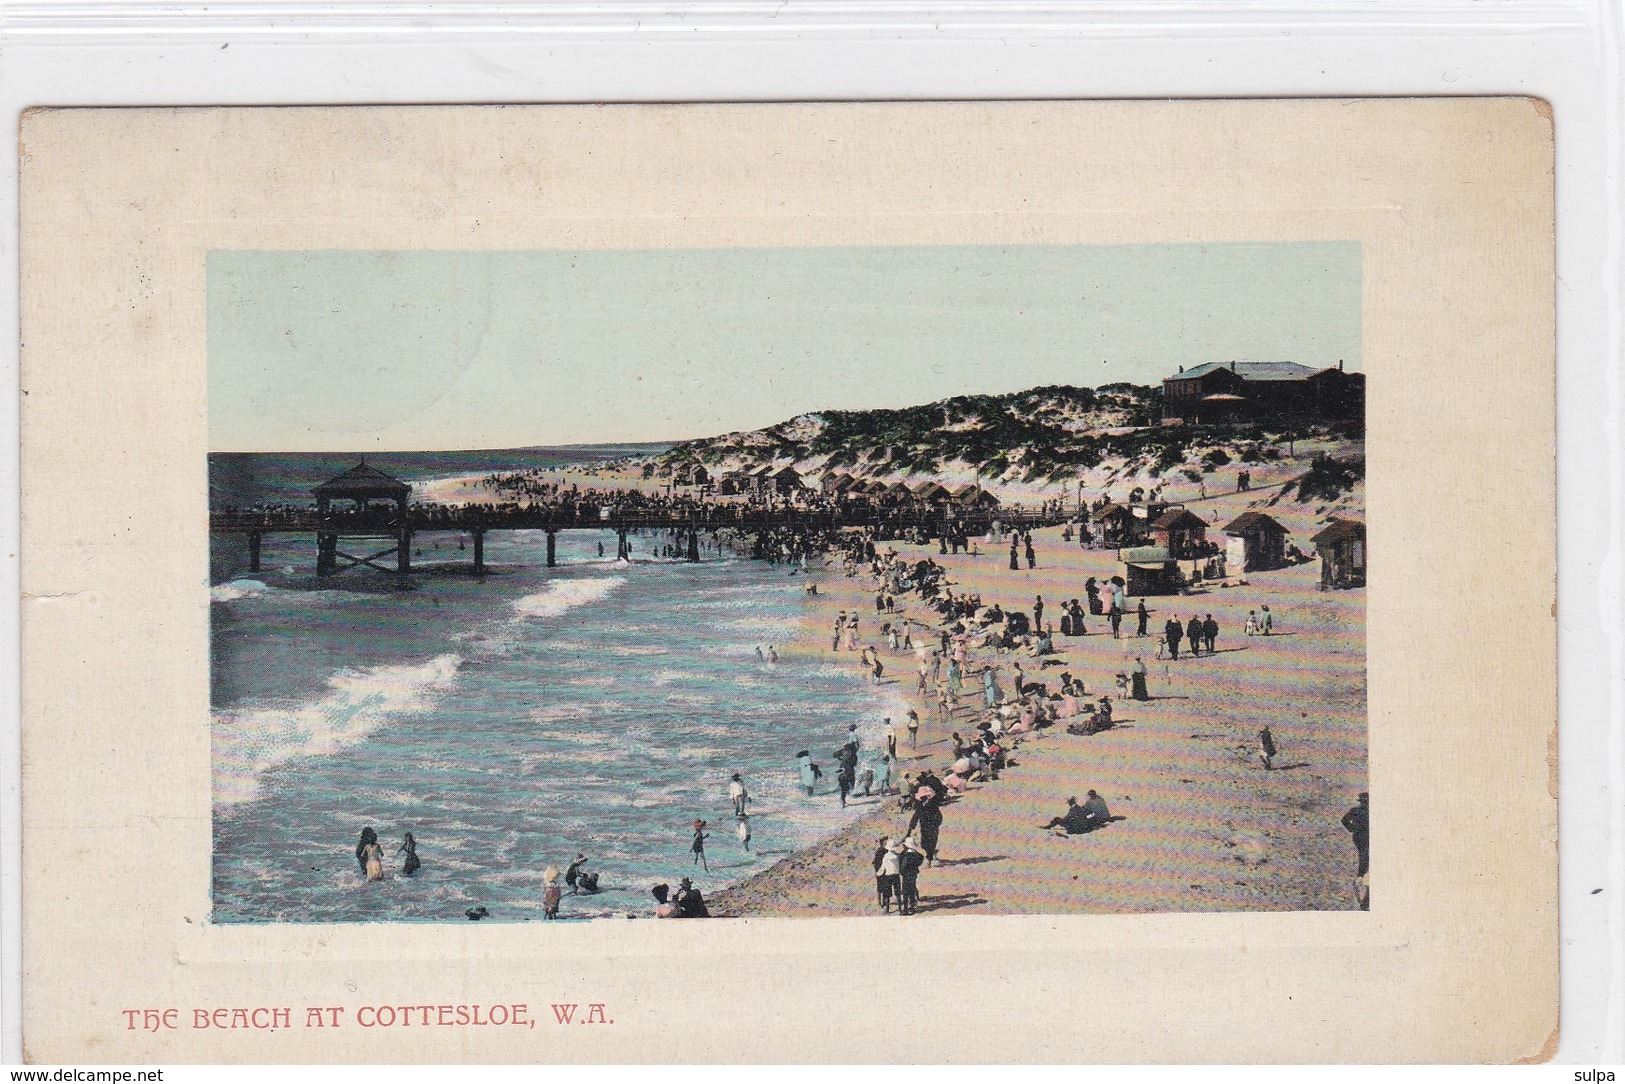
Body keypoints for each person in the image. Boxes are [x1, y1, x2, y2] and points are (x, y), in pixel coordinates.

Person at [1341, 792, 1370, 884]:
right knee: (1364, 854)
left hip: (1359, 835)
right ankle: (1361, 875)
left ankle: (1362, 875)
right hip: (1362, 835)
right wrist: (1353, 829)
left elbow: (1344, 820)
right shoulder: (1359, 810)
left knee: (1364, 854)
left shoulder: (1355, 810)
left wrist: (1352, 829)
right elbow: (1344, 820)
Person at [897, 836, 925, 914]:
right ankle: (912, 907)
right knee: (912, 891)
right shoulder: (916, 854)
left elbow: (902, 864)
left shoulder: (904, 853)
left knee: (905, 892)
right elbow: (921, 858)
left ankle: (905, 908)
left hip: (906, 875)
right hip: (913, 874)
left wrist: (901, 871)